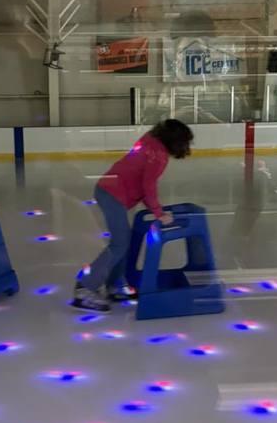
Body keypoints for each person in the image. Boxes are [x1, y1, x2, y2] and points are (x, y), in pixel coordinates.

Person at [73, 119, 194, 312]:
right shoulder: (159, 156)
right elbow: (148, 185)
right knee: (120, 242)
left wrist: (155, 209)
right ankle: (85, 288)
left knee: (123, 241)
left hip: (110, 190)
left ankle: (115, 285)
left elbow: (141, 179)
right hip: (112, 194)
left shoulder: (149, 141)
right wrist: (158, 213)